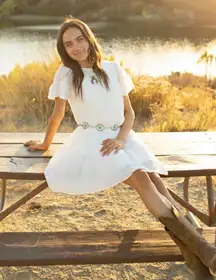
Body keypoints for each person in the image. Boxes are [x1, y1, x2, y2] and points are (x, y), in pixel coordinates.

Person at [24, 17, 216, 278]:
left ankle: (198, 263)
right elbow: (57, 114)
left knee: (156, 182)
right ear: (64, 49)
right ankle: (206, 251)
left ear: (89, 38)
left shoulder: (113, 69)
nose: (76, 47)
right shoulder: (66, 73)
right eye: (68, 44)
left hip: (122, 138)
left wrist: (123, 139)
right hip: (93, 142)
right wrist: (46, 143)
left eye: (80, 39)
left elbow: (130, 114)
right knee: (143, 180)